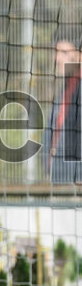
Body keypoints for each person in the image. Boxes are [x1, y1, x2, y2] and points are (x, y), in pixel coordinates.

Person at [46, 39, 82, 184]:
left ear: (78, 56)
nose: (58, 59)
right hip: (60, 175)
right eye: (56, 53)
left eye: (64, 53)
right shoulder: (65, 90)